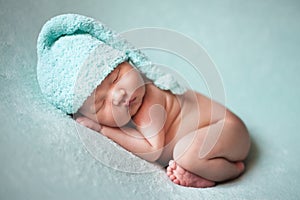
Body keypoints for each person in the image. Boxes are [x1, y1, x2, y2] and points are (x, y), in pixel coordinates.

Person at [75, 61, 251, 188]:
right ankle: (202, 171)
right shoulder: (129, 112)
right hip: (216, 138)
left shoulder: (149, 102)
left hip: (228, 130)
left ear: (130, 62)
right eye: (101, 104)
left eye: (116, 78)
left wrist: (103, 129)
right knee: (186, 152)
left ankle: (232, 170)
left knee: (185, 154)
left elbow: (152, 150)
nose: (119, 94)